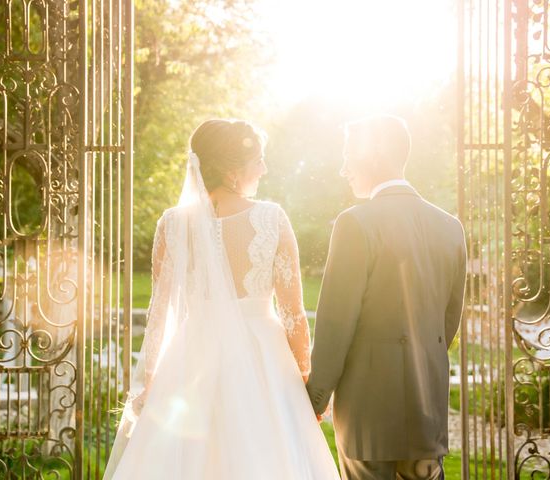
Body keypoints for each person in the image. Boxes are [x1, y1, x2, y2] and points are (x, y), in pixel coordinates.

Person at [103, 119, 339, 480]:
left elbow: (159, 313)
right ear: (232, 171)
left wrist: (151, 381)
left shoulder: (172, 224)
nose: (264, 168)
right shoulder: (270, 218)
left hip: (191, 355)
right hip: (264, 356)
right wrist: (305, 380)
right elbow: (292, 314)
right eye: (258, 160)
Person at [306, 114, 467, 480]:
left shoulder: (355, 223)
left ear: (372, 157)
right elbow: (448, 321)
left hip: (369, 416)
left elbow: (335, 324)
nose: (343, 169)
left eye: (348, 156)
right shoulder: (450, 226)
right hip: (427, 412)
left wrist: (315, 398)